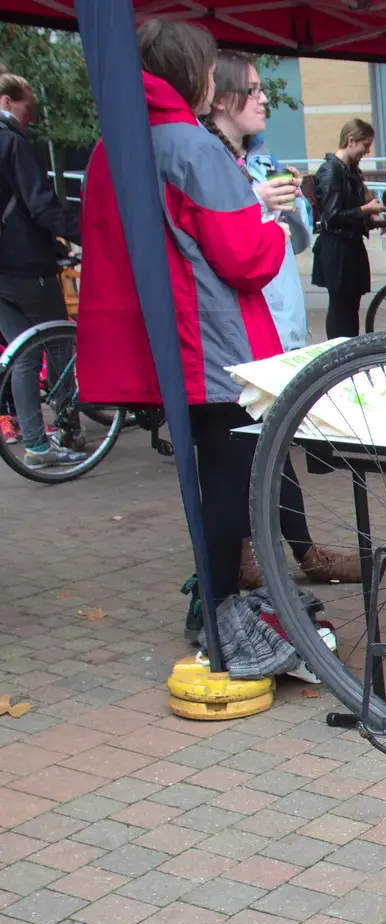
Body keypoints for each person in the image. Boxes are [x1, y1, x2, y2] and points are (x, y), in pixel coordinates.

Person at [77, 19, 292, 629]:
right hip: (216, 336)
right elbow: (244, 257)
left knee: (214, 471)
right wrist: (271, 228)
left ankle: (217, 589)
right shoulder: (191, 145)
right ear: (193, 74)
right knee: (230, 476)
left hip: (167, 337)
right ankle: (219, 602)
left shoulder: (112, 142)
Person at [206, 51, 360, 589]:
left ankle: (293, 553)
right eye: (252, 90)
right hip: (237, 333)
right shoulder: (208, 161)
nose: (264, 98)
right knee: (249, 449)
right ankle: (256, 561)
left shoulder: (261, 159)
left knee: (270, 441)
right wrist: (255, 203)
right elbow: (219, 244)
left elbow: (294, 241)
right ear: (222, 95)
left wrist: (290, 209)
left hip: (277, 320)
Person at [0, 73, 84, 468]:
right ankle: (68, 427)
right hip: (25, 266)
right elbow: (39, 205)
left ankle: (35, 444)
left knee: (23, 355)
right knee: (58, 342)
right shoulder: (12, 143)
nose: (30, 117)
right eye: (27, 107)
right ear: (6, 101)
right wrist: (86, 232)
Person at [311, 118, 382, 338]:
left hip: (348, 247)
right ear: (351, 141)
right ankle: (339, 355)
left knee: (350, 309)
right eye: (365, 146)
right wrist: (364, 211)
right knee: (341, 310)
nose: (367, 152)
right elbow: (332, 216)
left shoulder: (348, 170)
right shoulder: (332, 170)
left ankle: (347, 353)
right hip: (338, 249)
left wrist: (371, 217)